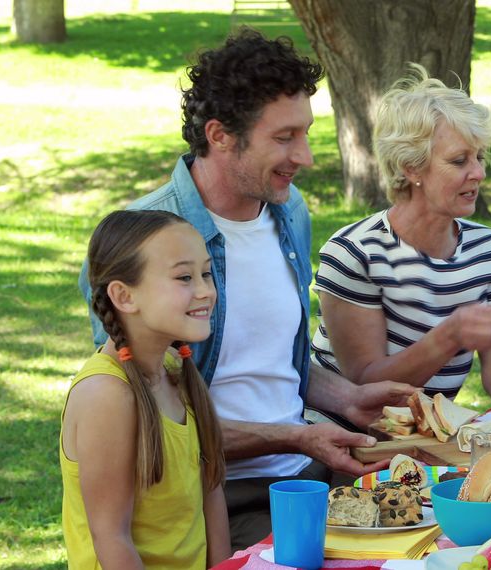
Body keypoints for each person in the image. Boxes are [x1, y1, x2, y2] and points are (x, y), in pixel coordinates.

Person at [78, 29, 416, 550]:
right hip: (214, 499)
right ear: (220, 136)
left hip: (305, 475)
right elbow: (139, 416)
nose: (304, 157)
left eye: (305, 133)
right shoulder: (140, 242)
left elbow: (270, 360)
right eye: (284, 138)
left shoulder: (290, 211)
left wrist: (348, 398)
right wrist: (296, 435)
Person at [310, 64, 491, 409]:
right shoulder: (355, 253)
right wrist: (450, 336)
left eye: (479, 157)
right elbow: (365, 386)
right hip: (345, 443)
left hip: (425, 442)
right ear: (411, 168)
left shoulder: (485, 250)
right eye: (459, 161)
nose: (479, 173)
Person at [63, 210, 229, 568]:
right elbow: (111, 537)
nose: (206, 291)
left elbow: (210, 494)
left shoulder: (176, 368)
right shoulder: (107, 394)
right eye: (185, 277)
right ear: (124, 296)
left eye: (206, 273)